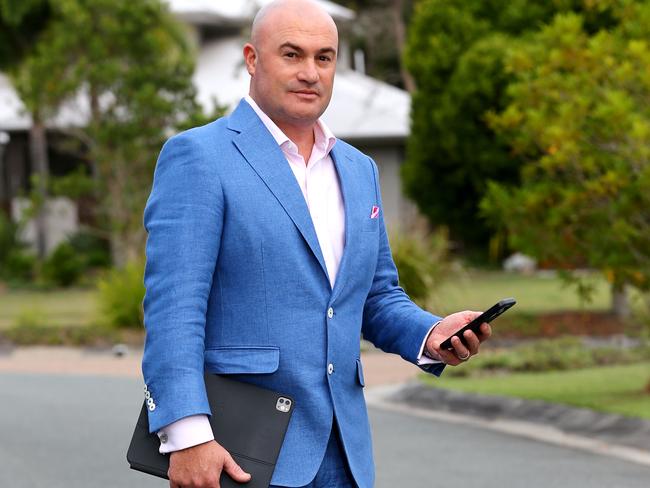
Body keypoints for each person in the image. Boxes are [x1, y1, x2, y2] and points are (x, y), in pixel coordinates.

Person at [141, 1, 492, 487]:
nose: (310, 72)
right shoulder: (199, 157)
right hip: (239, 451)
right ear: (252, 58)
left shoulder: (358, 169)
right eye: (292, 54)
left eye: (324, 58)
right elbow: (173, 308)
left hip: (344, 454)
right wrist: (186, 435)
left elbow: (375, 295)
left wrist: (431, 334)